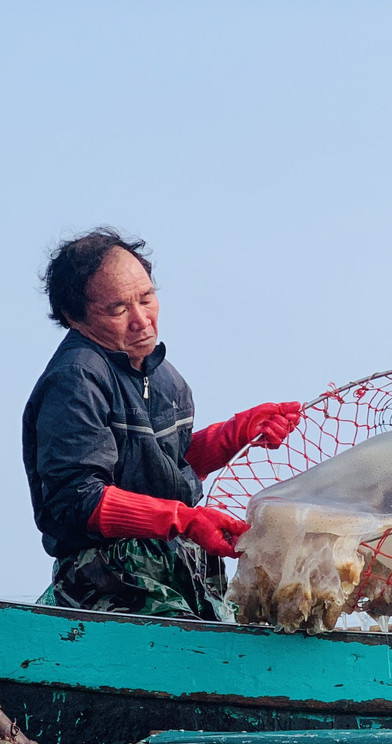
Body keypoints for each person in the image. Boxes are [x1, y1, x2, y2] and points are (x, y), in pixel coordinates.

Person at [22, 228, 301, 620]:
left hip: (178, 561)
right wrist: (182, 519)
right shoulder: (76, 379)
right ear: (75, 317)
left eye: (146, 298)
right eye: (118, 309)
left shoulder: (168, 380)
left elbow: (162, 466)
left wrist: (233, 434)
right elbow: (78, 499)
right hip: (108, 572)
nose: (141, 320)